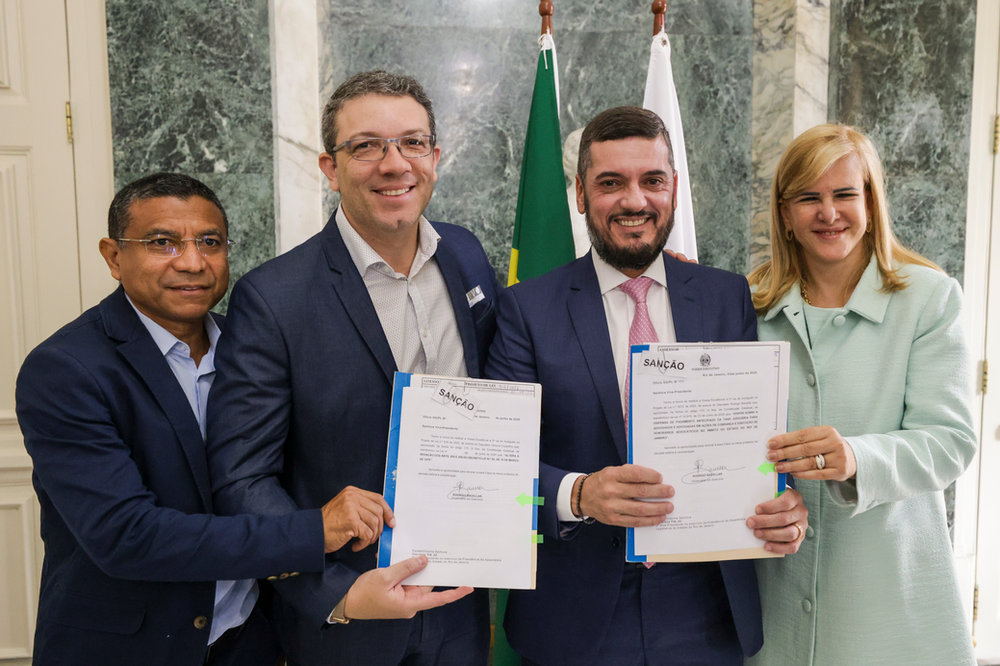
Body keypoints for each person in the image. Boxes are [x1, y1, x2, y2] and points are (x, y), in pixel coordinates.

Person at [15, 173, 463, 666]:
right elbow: (127, 535)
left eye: (210, 242)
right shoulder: (66, 370)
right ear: (113, 256)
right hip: (126, 648)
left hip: (249, 642)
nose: (192, 262)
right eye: (162, 242)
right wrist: (314, 530)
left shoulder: (254, 344)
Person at [485, 106, 808, 666]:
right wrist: (578, 494)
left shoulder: (726, 297)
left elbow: (754, 433)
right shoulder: (524, 309)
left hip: (707, 613)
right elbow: (497, 460)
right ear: (581, 194)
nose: (634, 201)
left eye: (652, 180)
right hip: (574, 620)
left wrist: (784, 500)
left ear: (674, 189)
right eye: (611, 183)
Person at [206, 70, 498, 666]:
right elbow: (242, 479)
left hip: (462, 605)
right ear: (331, 168)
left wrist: (640, 271)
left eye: (412, 142)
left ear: (435, 157)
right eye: (366, 146)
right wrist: (336, 595)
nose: (395, 164)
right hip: (346, 623)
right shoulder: (273, 297)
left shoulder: (466, 255)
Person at [746, 124, 977, 665]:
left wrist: (855, 457)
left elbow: (950, 441)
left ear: (870, 203)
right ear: (785, 214)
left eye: (845, 194)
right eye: (809, 197)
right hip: (773, 611)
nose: (829, 213)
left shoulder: (929, 299)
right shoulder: (748, 304)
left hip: (888, 606)